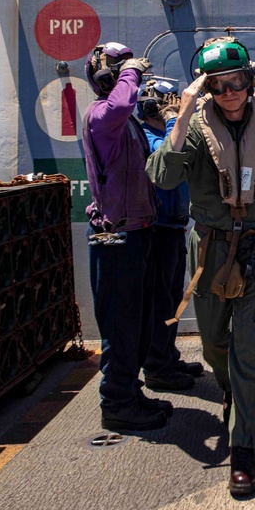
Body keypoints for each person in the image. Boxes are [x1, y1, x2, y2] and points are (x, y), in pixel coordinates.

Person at [146, 37, 255, 498]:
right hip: (211, 250)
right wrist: (182, 113)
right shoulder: (197, 131)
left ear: (250, 79)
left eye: (236, 80)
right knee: (214, 342)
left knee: (251, 351)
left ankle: (244, 448)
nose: (229, 92)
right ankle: (229, 391)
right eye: (217, 85)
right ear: (206, 89)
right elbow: (162, 176)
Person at [82, 42, 171, 432]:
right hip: (116, 239)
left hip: (137, 234)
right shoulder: (103, 116)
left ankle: (129, 393)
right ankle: (116, 404)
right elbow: (119, 105)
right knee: (120, 326)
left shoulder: (128, 124)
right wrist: (131, 71)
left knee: (136, 322)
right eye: (122, 73)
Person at [137, 80, 205, 387]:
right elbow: (165, 158)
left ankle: (168, 355)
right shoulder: (149, 135)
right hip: (157, 230)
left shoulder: (169, 131)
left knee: (173, 297)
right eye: (168, 103)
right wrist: (171, 121)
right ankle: (157, 368)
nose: (175, 107)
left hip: (175, 227)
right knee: (160, 301)